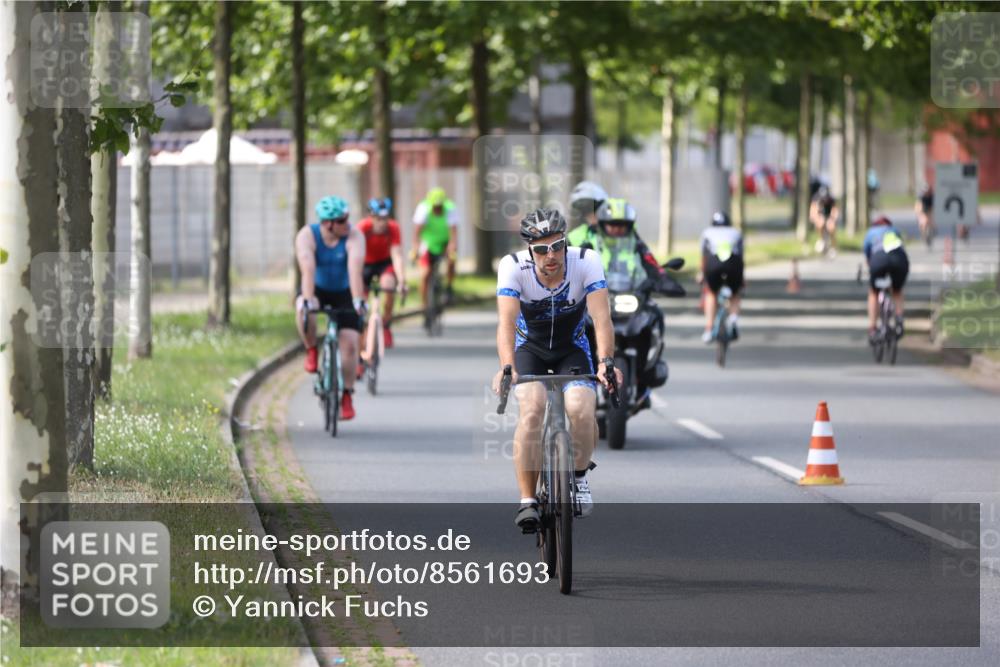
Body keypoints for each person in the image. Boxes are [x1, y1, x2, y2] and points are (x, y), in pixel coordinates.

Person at [492, 208, 622, 531]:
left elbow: (602, 319)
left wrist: (606, 361)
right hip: (529, 349)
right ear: (529, 250)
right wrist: (506, 367)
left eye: (557, 245)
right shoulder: (512, 267)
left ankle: (577, 477)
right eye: (541, 249)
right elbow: (506, 323)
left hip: (572, 347)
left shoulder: (586, 261)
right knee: (533, 409)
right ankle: (527, 501)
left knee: (581, 407)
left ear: (566, 242)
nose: (551, 255)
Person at [295, 195, 366, 420]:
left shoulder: (354, 235)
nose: (348, 223)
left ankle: (346, 394)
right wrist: (307, 300)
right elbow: (307, 268)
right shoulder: (307, 235)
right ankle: (312, 349)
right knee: (303, 308)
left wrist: (357, 301)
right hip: (317, 287)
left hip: (345, 291)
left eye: (347, 218)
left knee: (350, 345)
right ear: (328, 223)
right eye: (343, 220)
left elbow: (355, 269)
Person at [357, 197, 405, 350]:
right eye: (378, 219)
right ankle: (362, 329)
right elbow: (354, 255)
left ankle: (386, 325)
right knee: (360, 297)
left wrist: (402, 281)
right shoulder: (362, 228)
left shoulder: (393, 228)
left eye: (385, 218)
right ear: (370, 217)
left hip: (384, 263)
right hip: (365, 263)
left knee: (388, 286)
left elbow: (396, 255)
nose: (382, 223)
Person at [699, 211, 744, 344]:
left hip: (714, 263)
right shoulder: (736, 232)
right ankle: (734, 317)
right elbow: (741, 256)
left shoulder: (707, 232)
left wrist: (701, 274)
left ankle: (708, 330)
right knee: (735, 293)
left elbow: (704, 256)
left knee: (711, 293)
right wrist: (742, 278)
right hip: (734, 264)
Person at [863, 215, 909, 342]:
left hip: (879, 260)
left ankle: (872, 327)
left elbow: (868, 257)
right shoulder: (894, 230)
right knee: (897, 290)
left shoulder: (870, 232)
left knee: (873, 292)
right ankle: (899, 320)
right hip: (899, 259)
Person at [412, 187, 458, 310]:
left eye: (439, 207)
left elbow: (453, 233)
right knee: (425, 274)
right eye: (435, 207)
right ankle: (424, 305)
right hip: (428, 243)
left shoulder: (450, 208)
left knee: (452, 259)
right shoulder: (423, 209)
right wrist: (416, 249)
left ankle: (449, 287)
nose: (437, 209)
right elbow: (417, 233)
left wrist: (452, 247)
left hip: (444, 241)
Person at [566, 180, 608, 246]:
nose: (590, 214)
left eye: (594, 207)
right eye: (585, 210)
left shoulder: (621, 228)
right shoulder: (574, 237)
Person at [809, 185, 839, 257]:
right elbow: (813, 211)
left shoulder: (831, 200)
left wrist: (833, 218)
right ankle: (821, 239)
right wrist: (815, 218)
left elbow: (835, 210)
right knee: (820, 223)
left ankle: (833, 247)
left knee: (831, 227)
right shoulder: (816, 199)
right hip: (820, 216)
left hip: (829, 216)